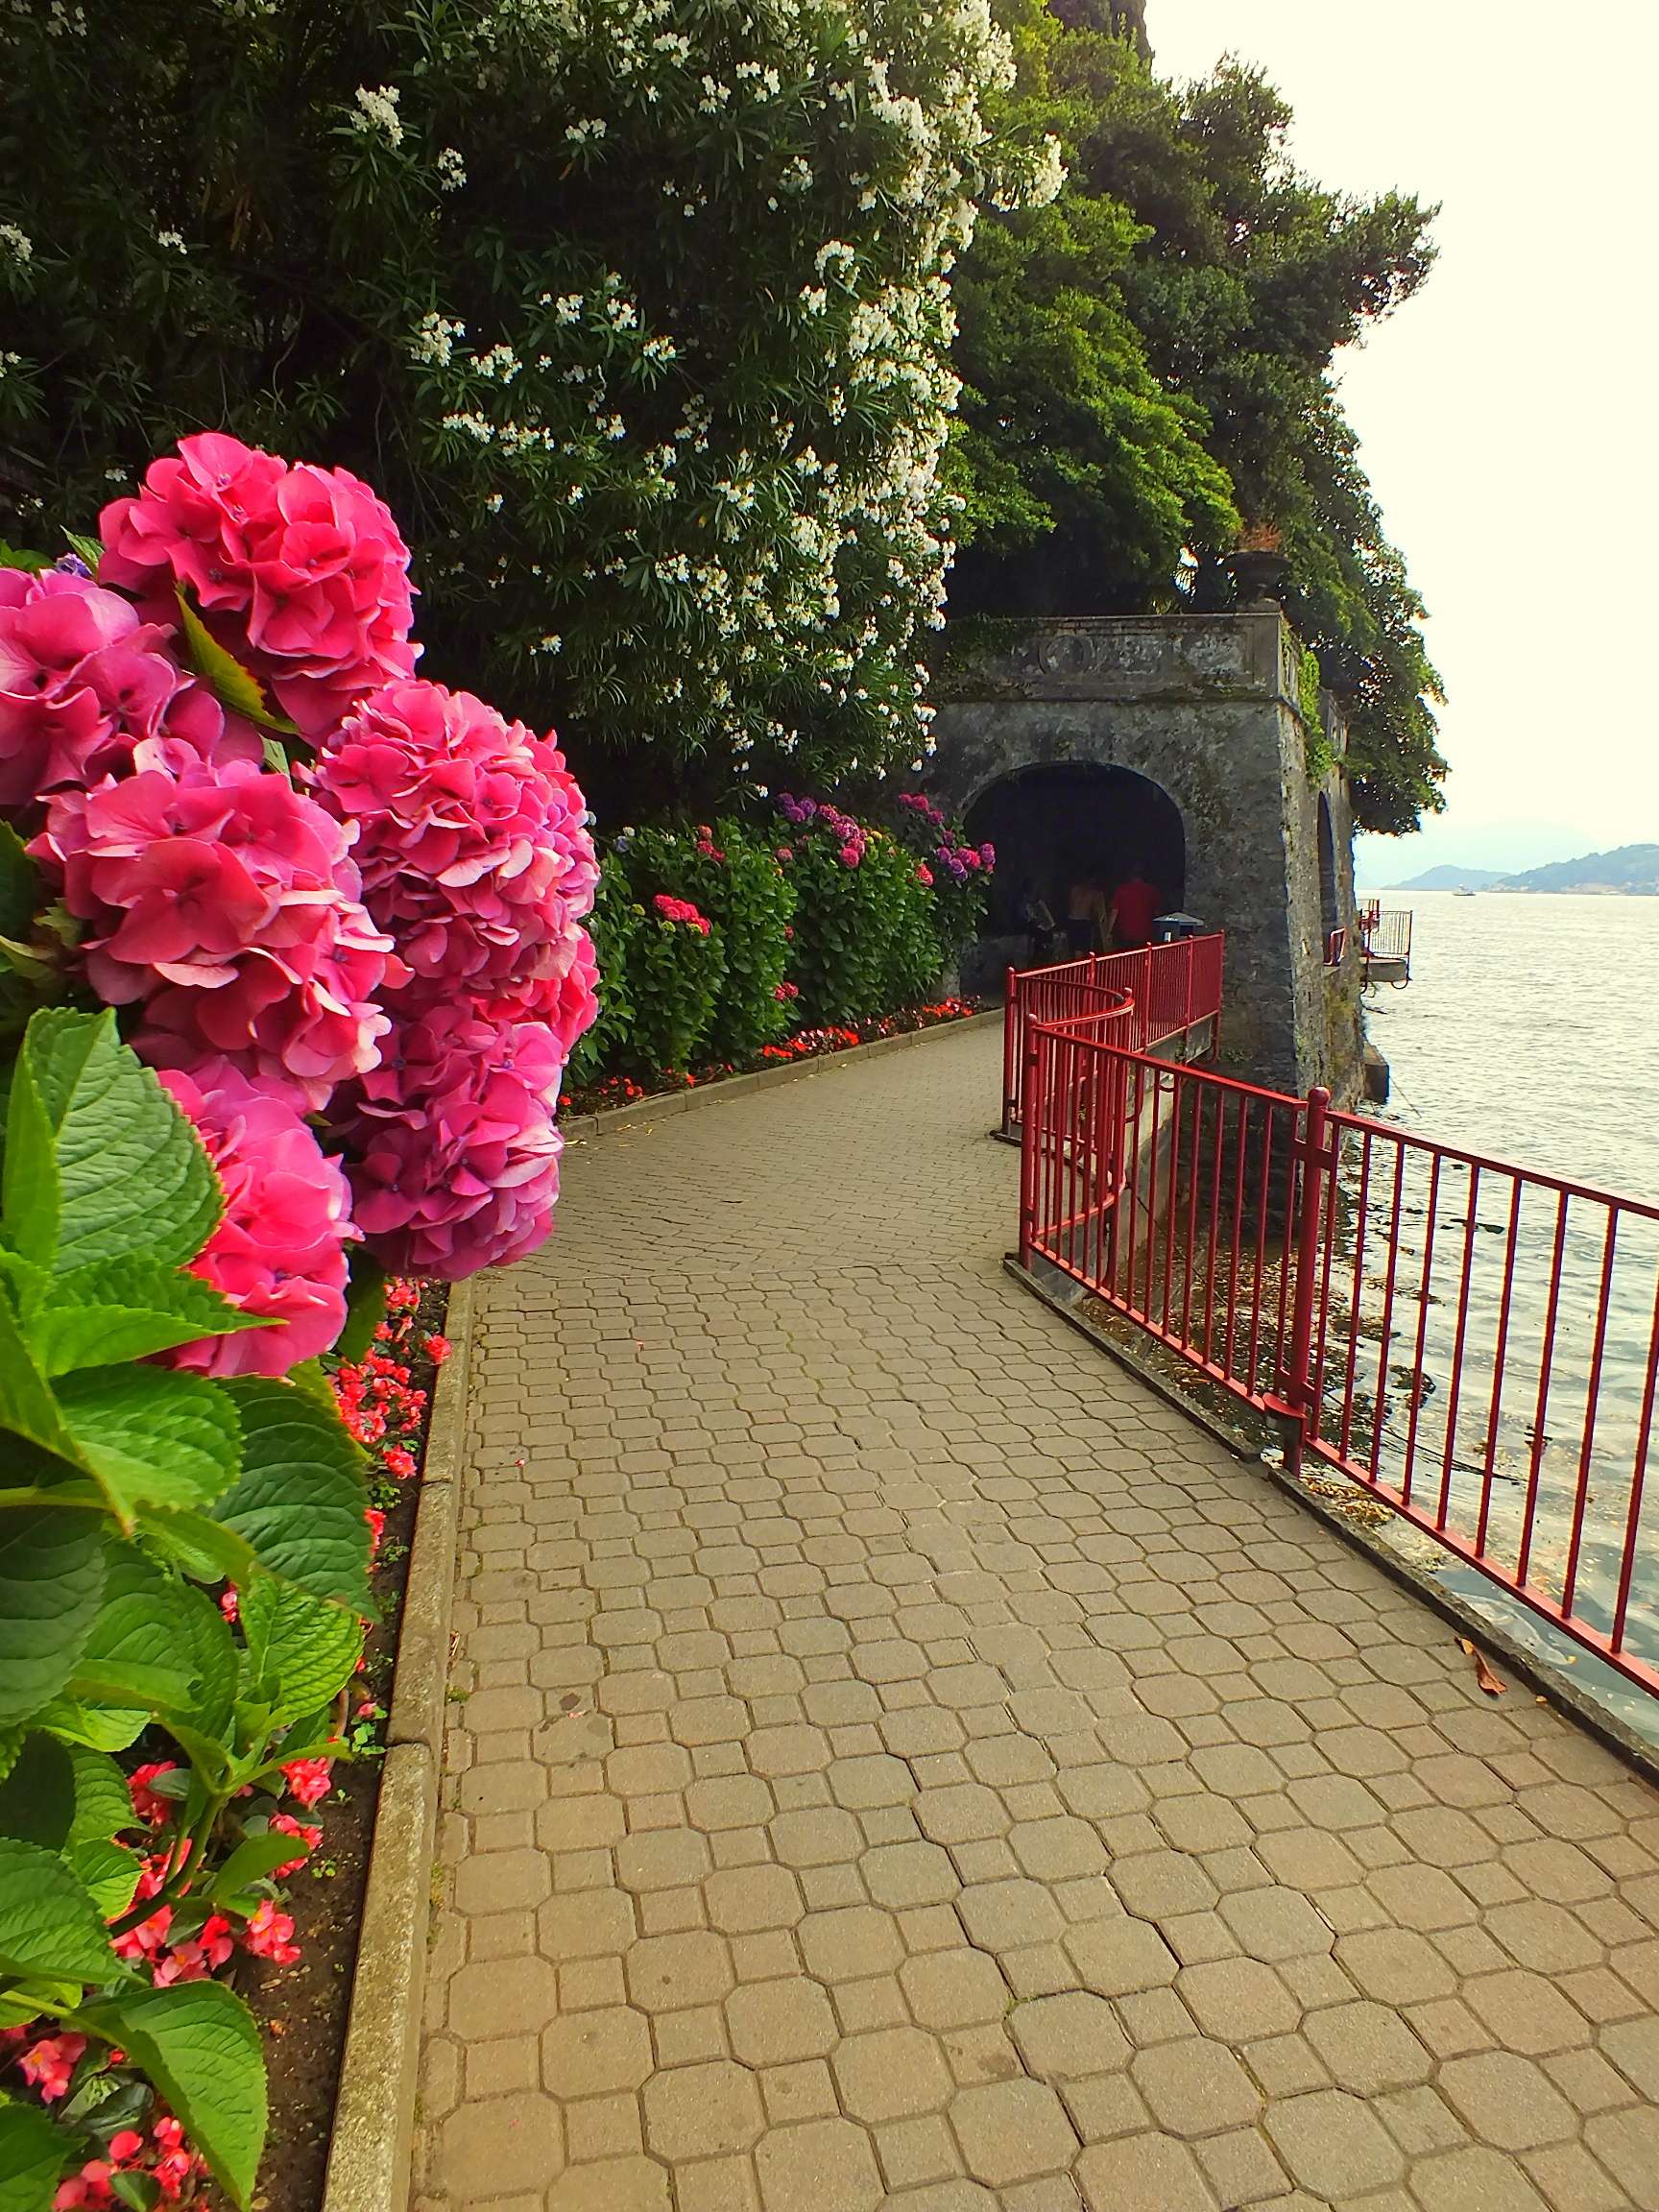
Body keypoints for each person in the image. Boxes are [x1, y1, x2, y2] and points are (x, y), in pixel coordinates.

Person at [1111, 864, 1159, 950]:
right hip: (1144, 933)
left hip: (1124, 933)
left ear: (1130, 875)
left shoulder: (1121, 890)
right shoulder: (1151, 891)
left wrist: (1108, 931)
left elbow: (1114, 912)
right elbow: (1157, 913)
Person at [1065, 878, 1109, 956]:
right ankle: (1080, 967)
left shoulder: (1075, 889)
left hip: (1072, 920)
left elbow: (1070, 904)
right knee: (1081, 949)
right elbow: (1096, 911)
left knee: (1074, 948)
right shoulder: (1094, 893)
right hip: (1083, 921)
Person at [1017, 879, 1056, 966]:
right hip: (1036, 936)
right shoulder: (1024, 905)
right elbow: (1026, 921)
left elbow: (1048, 922)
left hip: (1045, 935)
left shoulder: (1040, 904)